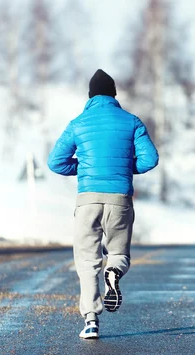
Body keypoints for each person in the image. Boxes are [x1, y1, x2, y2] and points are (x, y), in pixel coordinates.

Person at [47, 69, 159, 339]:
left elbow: (55, 162)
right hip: (119, 198)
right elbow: (150, 159)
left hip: (87, 200)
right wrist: (122, 168)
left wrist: (85, 167)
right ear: (114, 94)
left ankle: (91, 321)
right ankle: (114, 271)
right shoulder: (132, 122)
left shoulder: (78, 123)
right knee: (118, 253)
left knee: (87, 260)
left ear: (90, 96)